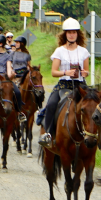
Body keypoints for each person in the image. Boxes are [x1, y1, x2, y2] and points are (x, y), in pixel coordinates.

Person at [38, 18, 90, 148]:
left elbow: (87, 71)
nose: (72, 34)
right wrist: (66, 72)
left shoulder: (83, 51)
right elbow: (54, 72)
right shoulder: (59, 51)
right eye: (69, 32)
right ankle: (48, 134)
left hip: (80, 85)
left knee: (93, 105)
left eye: (74, 32)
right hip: (64, 85)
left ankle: (95, 135)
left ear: (78, 34)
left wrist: (84, 73)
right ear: (65, 34)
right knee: (51, 104)